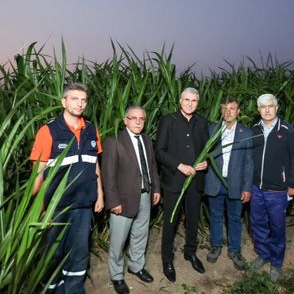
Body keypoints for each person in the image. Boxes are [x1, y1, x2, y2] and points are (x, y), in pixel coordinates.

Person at [30, 83, 104, 293]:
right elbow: (37, 174)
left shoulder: (91, 129)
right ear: (64, 101)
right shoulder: (48, 130)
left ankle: (74, 289)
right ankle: (53, 290)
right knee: (52, 254)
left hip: (83, 205)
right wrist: (38, 208)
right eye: (74, 99)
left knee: (79, 253)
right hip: (56, 207)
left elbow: (94, 164)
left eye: (83, 100)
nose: (79, 104)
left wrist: (100, 193)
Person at [101, 106, 161, 294]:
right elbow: (108, 175)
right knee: (118, 242)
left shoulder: (146, 140)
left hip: (145, 196)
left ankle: (136, 266)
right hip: (123, 200)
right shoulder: (114, 141)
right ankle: (117, 276)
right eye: (133, 118)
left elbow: (152, 166)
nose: (137, 122)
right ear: (125, 120)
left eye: (141, 119)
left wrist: (156, 189)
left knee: (140, 234)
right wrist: (113, 201)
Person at [156, 87, 209, 282]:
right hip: (173, 182)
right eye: (186, 100)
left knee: (193, 220)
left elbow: (207, 148)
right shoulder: (168, 121)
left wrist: (206, 162)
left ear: (198, 103)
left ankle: (190, 253)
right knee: (170, 222)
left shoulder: (202, 123)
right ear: (180, 101)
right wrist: (179, 166)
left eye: (194, 101)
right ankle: (167, 259)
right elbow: (159, 151)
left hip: (196, 182)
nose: (189, 103)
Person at [249, 93, 294, 283]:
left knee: (277, 228)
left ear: (276, 108)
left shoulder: (287, 130)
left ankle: (277, 263)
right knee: (258, 225)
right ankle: (263, 254)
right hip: (256, 188)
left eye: (270, 106)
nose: (267, 109)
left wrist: (293, 185)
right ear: (258, 110)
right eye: (263, 107)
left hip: (278, 190)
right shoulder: (254, 129)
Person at [205, 97, 254, 271]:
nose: (228, 112)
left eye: (232, 108)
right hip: (214, 182)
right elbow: (203, 154)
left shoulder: (246, 133)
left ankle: (234, 251)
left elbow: (249, 162)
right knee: (215, 216)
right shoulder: (212, 130)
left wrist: (247, 187)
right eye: (225, 108)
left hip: (236, 184)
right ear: (221, 111)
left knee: (234, 218)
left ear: (238, 111)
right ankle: (216, 246)